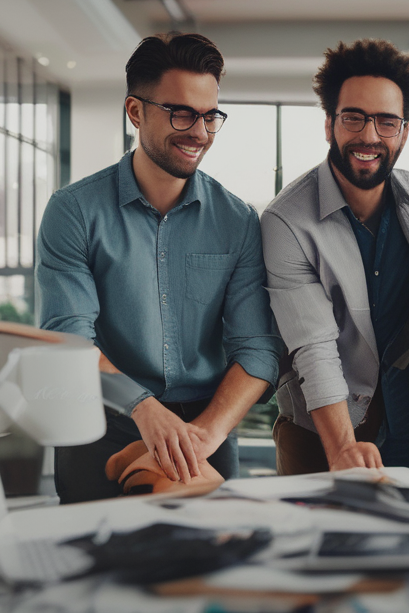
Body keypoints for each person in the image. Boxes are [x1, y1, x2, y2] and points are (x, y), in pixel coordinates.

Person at [36, 32, 281, 502]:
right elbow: (69, 339)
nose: (200, 132)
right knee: (94, 567)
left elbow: (257, 349)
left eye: (211, 116)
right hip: (101, 425)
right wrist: (144, 409)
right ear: (135, 111)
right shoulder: (74, 211)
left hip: (205, 431)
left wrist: (202, 437)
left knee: (209, 570)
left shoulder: (238, 221)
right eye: (182, 113)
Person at [260, 38, 409, 475]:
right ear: (329, 125)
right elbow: (314, 346)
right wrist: (343, 446)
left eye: (386, 122)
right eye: (353, 118)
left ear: (403, 132)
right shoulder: (287, 221)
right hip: (321, 428)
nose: (369, 136)